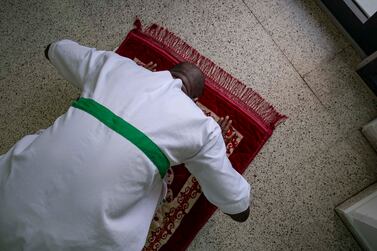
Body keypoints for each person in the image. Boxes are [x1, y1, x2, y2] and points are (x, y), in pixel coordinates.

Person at [0, 39, 251, 251]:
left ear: (164, 71)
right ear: (194, 100)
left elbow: (56, 48)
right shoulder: (202, 127)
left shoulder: (114, 66)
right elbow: (234, 199)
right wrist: (239, 207)